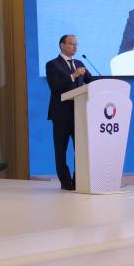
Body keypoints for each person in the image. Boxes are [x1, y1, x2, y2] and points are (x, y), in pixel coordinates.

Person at [46, 34, 94, 190]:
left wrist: (105, 83)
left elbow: (90, 82)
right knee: (61, 150)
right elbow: (55, 86)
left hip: (79, 114)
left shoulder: (80, 63)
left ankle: (78, 180)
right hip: (61, 115)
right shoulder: (52, 64)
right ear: (62, 45)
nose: (75, 47)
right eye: (72, 44)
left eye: (76, 44)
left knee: (80, 149)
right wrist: (73, 75)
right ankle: (66, 183)